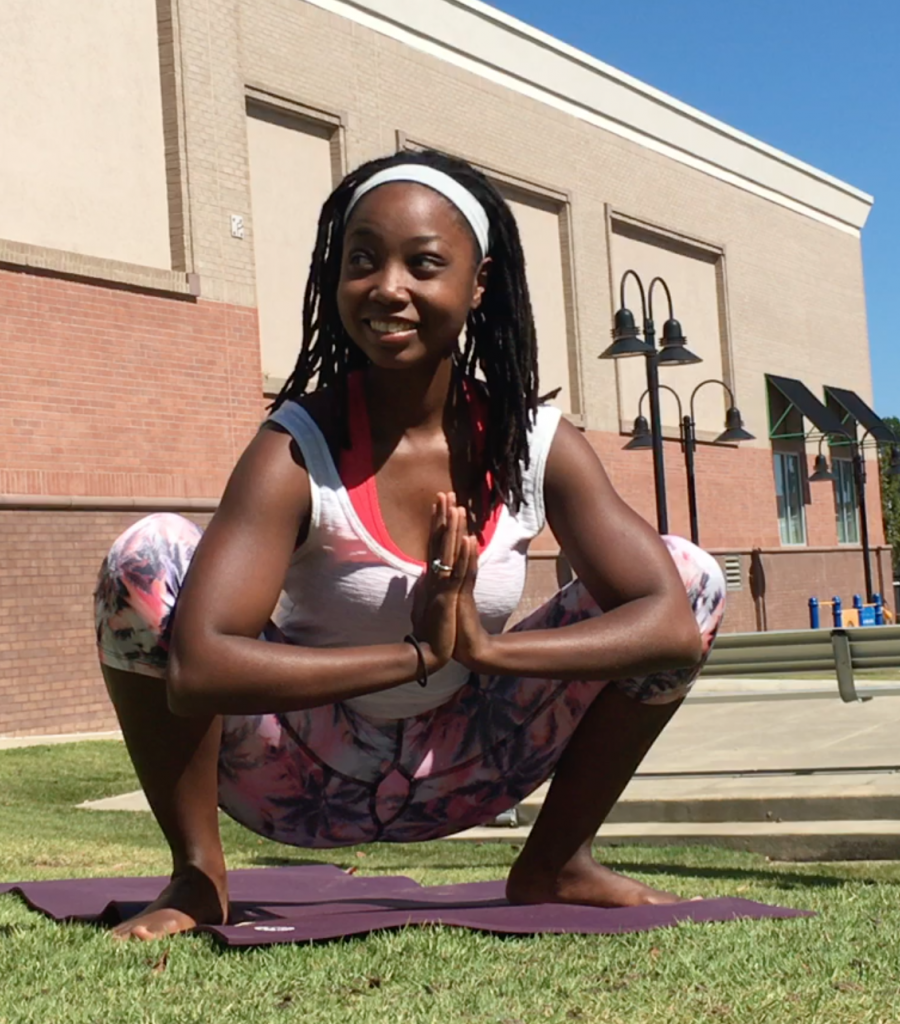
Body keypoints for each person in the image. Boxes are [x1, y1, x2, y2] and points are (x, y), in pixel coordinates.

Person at [95, 149, 726, 941]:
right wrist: (420, 654)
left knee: (689, 571)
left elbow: (669, 623)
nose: (387, 286)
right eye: (362, 260)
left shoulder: (535, 441)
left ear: (478, 284)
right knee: (144, 555)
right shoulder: (295, 448)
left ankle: (556, 860)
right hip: (295, 776)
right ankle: (197, 875)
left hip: (470, 763)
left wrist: (486, 654)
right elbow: (198, 668)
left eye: (422, 264)